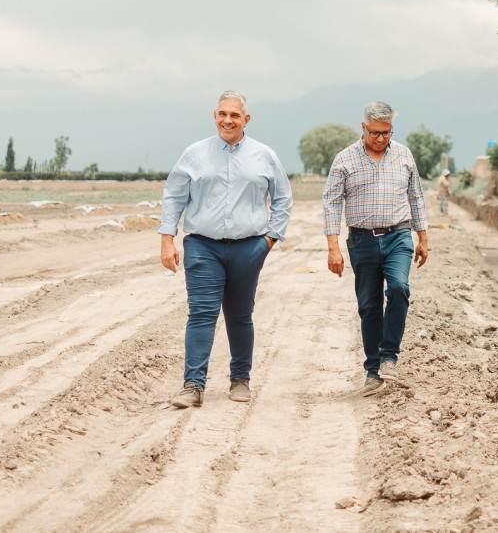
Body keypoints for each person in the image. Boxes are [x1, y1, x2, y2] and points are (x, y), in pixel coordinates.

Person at [158, 91, 292, 409]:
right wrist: (167, 238)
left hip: (250, 247)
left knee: (239, 314)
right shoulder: (194, 154)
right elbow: (173, 196)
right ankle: (193, 385)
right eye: (222, 114)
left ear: (246, 119)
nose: (227, 120)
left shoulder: (264, 155)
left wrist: (269, 240)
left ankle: (240, 379)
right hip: (203, 245)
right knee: (201, 314)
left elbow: (283, 198)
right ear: (214, 116)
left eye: (234, 115)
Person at [322, 101, 429, 397]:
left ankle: (389, 356)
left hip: (398, 236)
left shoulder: (404, 155)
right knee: (368, 305)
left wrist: (423, 238)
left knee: (398, 288)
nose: (381, 139)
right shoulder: (344, 160)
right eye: (375, 133)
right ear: (363, 128)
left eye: (386, 133)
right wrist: (333, 248)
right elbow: (331, 204)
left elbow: (416, 197)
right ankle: (372, 371)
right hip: (361, 241)